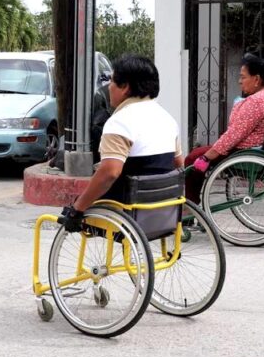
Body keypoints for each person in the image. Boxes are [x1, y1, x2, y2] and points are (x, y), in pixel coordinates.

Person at [59, 55, 183, 232]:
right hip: (163, 213)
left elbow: (110, 172)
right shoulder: (167, 119)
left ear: (125, 87)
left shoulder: (119, 122)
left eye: (111, 81)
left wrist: (77, 209)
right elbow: (178, 164)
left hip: (127, 214)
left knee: (72, 211)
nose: (108, 87)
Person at [184, 53, 264, 202]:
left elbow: (234, 135)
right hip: (256, 148)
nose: (239, 81)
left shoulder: (257, 101)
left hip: (245, 152)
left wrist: (207, 156)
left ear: (256, 79)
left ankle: (191, 206)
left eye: (243, 77)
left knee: (193, 157)